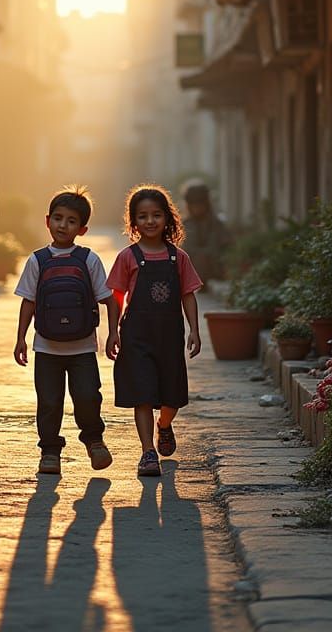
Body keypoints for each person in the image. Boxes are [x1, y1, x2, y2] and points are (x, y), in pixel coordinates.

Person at [13, 186, 119, 476]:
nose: (63, 225)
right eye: (58, 218)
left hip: (83, 347)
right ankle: (49, 451)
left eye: (71, 221)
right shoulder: (37, 260)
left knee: (88, 396)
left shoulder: (88, 260)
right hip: (46, 347)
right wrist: (21, 338)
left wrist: (113, 333)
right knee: (48, 401)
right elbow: (29, 301)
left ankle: (94, 441)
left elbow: (109, 298)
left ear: (82, 229)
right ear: (47, 221)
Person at [107, 184, 203, 477]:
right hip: (137, 335)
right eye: (143, 216)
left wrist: (194, 330)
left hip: (169, 336)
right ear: (133, 222)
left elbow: (188, 294)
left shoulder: (178, 258)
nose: (150, 221)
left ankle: (164, 424)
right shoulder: (128, 257)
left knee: (171, 396)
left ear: (168, 218)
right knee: (143, 394)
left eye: (156, 215)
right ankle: (148, 452)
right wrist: (113, 332)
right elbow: (116, 296)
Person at [181, 183, 230, 285]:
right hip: (191, 273)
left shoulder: (216, 224)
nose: (197, 208)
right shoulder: (185, 225)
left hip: (214, 272)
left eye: (200, 204)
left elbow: (227, 248)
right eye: (194, 205)